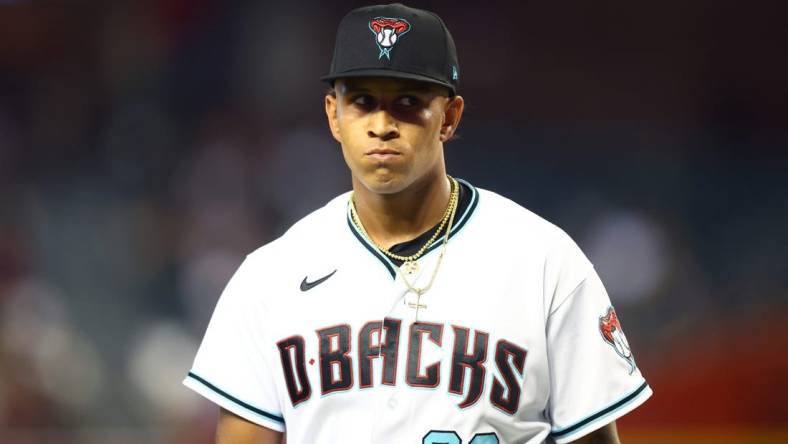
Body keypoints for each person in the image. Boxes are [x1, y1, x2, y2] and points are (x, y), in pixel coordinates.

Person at [183, 3, 651, 443]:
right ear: (334, 115)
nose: (382, 124)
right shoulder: (269, 278)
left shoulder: (545, 262)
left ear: (449, 116)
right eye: (363, 102)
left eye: (407, 102)